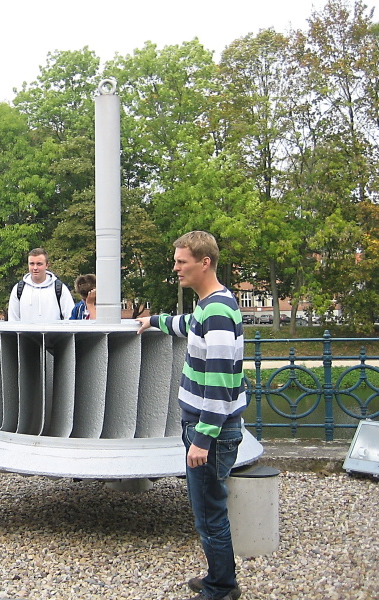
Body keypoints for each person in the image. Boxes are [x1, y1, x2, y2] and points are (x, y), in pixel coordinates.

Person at [136, 231, 246, 600]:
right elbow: (187, 325)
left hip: (209, 430)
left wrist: (203, 437)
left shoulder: (216, 311)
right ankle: (219, 577)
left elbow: (219, 380)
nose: (176, 268)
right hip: (205, 426)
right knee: (209, 510)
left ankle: (222, 588)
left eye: (181, 261)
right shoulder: (209, 305)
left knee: (209, 514)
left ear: (205, 262)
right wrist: (155, 321)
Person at [8, 248, 75, 322]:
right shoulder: (18, 289)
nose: (35, 268)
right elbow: (12, 321)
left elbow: (70, 318)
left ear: (47, 265)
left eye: (39, 264)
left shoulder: (60, 288)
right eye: (32, 264)